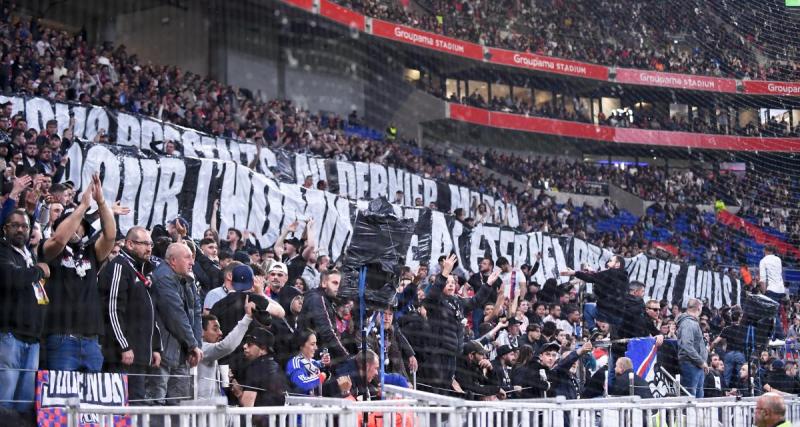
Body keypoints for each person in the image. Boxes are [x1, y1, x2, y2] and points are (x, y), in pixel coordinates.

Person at [40, 174, 116, 371]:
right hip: (60, 337)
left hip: (91, 340)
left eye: (81, 226)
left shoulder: (91, 252)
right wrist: (81, 207)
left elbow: (110, 235)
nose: (78, 228)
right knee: (61, 400)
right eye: (73, 223)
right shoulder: (48, 249)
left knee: (91, 402)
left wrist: (100, 202)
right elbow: (59, 240)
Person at [98, 226, 161, 405]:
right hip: (122, 356)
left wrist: (155, 347)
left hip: (140, 355)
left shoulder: (142, 270)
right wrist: (124, 346)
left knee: (137, 406)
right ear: (130, 244)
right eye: (144, 244)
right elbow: (113, 309)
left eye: (151, 244)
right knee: (122, 409)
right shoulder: (119, 266)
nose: (149, 248)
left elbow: (151, 312)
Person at [0, 209, 50, 414]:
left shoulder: (30, 254)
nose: (21, 229)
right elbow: (11, 277)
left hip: (33, 337)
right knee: (5, 398)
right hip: (10, 334)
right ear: (5, 228)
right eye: (15, 225)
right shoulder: (3, 250)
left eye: (25, 226)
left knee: (25, 402)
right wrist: (39, 270)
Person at [425, 254, 497, 390]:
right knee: (437, 391)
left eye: (453, 282)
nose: (450, 285)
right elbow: (432, 294)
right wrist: (444, 273)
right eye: (447, 283)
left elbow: (475, 301)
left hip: (453, 354)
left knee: (447, 391)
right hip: (437, 354)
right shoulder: (436, 301)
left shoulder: (458, 301)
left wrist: (487, 285)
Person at [147, 242, 204, 405]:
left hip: (182, 353)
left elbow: (197, 313)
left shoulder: (188, 278)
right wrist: (193, 344)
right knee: (156, 408)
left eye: (192, 258)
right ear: (172, 261)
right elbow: (175, 314)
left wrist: (196, 345)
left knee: (178, 410)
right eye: (187, 258)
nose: (192, 262)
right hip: (163, 353)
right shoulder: (163, 277)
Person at [197, 298, 254, 400]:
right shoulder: (201, 348)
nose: (220, 333)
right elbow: (226, 346)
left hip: (213, 410)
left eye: (219, 328)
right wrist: (248, 318)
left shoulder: (209, 351)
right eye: (215, 329)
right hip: (202, 412)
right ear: (201, 332)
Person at [298, 269, 350, 366]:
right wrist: (346, 356)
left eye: (339, 284)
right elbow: (327, 331)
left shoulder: (323, 299)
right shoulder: (318, 299)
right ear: (324, 283)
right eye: (334, 283)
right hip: (310, 358)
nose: (338, 287)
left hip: (313, 356)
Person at [560, 255, 628, 326]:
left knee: (587, 308)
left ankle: (593, 330)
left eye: (610, 261)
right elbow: (601, 277)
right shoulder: (625, 277)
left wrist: (574, 273)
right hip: (619, 314)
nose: (608, 263)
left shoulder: (611, 272)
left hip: (605, 312)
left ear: (617, 264)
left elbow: (592, 278)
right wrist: (593, 272)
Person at [512, 341, 592, 399]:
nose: (551, 358)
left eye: (553, 355)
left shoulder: (552, 373)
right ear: (540, 356)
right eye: (547, 354)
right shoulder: (529, 369)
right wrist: (546, 385)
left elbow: (565, 364)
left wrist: (579, 352)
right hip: (531, 416)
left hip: (547, 417)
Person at [231, 328, 287, 406]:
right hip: (278, 416)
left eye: (250, 344)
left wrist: (239, 393)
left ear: (263, 349)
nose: (244, 346)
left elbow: (248, 406)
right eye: (245, 343)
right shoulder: (276, 366)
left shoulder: (256, 368)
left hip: (262, 417)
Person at [677, 298, 708, 398]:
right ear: (699, 308)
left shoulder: (691, 322)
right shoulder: (688, 323)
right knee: (691, 398)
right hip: (691, 365)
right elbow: (687, 345)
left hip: (696, 366)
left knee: (698, 398)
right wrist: (701, 361)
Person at [286, 329, 332, 396]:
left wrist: (326, 365)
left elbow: (324, 371)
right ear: (301, 345)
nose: (316, 348)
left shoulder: (313, 362)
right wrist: (324, 375)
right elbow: (304, 383)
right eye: (312, 344)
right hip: (298, 405)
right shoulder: (294, 363)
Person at [709, 306, 746, 388]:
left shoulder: (727, 329)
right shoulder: (744, 329)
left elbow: (715, 342)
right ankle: (742, 392)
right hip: (740, 353)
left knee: (726, 377)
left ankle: (724, 392)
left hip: (729, 354)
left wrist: (710, 349)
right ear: (739, 318)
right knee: (742, 374)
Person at [759, 246, 785, 337]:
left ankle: (781, 336)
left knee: (771, 313)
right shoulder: (778, 259)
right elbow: (780, 274)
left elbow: (762, 280)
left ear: (765, 251)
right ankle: (772, 336)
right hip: (781, 290)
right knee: (774, 314)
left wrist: (764, 293)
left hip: (772, 290)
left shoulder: (763, 261)